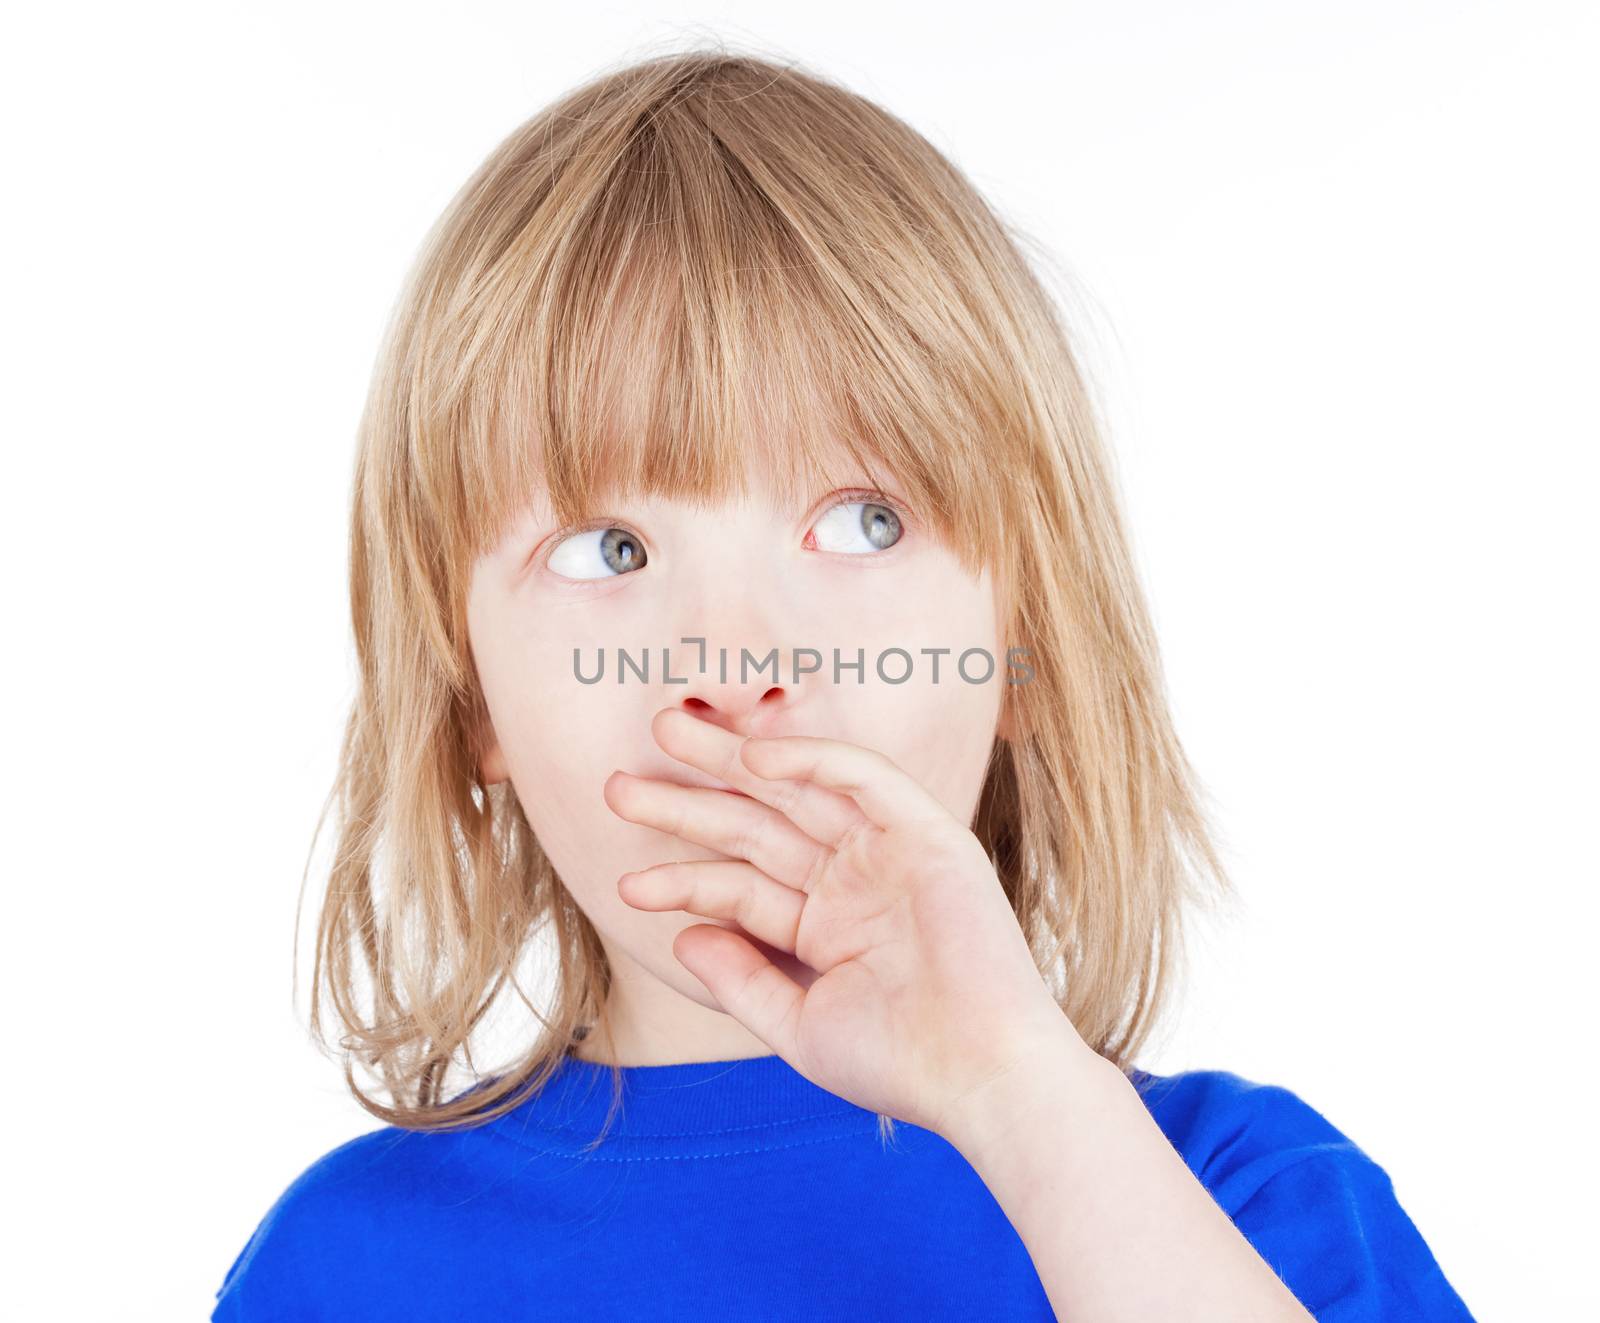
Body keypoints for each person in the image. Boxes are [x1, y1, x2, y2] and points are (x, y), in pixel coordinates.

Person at [212, 46, 1477, 1322]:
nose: (736, 664)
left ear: (1023, 648)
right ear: (471, 702)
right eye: (610, 551)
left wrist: (1022, 1102)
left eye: (862, 523)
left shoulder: (1233, 1203)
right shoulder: (346, 1270)